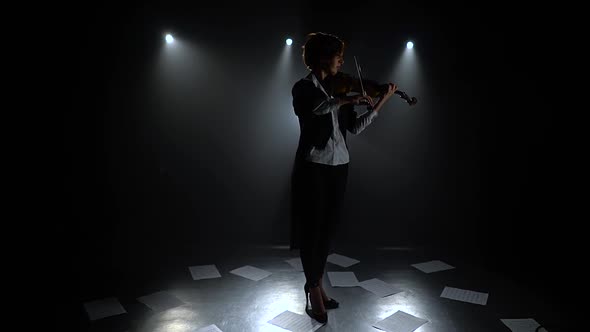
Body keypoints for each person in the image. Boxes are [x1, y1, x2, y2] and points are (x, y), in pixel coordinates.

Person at [289, 32, 397, 323]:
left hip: (340, 166)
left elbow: (356, 128)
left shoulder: (339, 87)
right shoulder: (303, 88)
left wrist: (380, 102)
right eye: (337, 55)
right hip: (314, 166)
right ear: (323, 57)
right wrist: (344, 99)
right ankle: (312, 290)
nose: (341, 60)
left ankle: (317, 284)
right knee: (312, 231)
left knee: (328, 230)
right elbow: (317, 109)